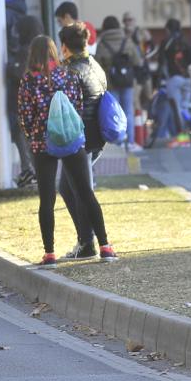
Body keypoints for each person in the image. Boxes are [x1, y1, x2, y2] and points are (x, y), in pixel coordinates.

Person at [17, 35, 118, 269]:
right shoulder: (68, 75)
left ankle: (49, 253)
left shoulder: (29, 81)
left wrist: (34, 135)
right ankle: (105, 247)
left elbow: (24, 115)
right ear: (54, 52)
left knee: (47, 200)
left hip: (43, 145)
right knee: (86, 193)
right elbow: (78, 105)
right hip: (72, 142)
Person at [59, 23, 110, 260]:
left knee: (80, 191)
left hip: (79, 139)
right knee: (71, 188)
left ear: (64, 46)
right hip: (96, 136)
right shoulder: (95, 65)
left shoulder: (69, 70)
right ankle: (86, 240)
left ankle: (88, 242)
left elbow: (65, 107)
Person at [95, 16, 143, 152]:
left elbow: (97, 64)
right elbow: (137, 61)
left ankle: (118, 142)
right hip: (127, 81)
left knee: (113, 113)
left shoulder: (102, 43)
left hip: (110, 83)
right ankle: (131, 142)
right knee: (128, 110)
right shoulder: (127, 41)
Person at [6, 15, 43, 187]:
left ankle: (29, 172)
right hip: (39, 102)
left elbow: (19, 73)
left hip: (22, 103)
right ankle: (35, 172)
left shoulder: (25, 51)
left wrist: (8, 67)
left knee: (23, 138)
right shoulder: (42, 48)